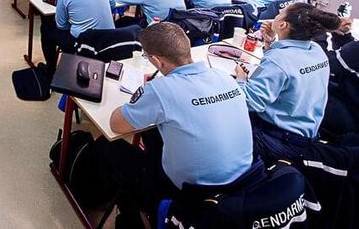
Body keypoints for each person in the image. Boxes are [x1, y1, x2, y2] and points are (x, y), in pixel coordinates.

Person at [99, 22, 253, 225]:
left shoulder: (161, 89)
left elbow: (116, 124)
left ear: (157, 61)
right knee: (154, 134)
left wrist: (141, 100)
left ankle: (131, 215)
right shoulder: (223, 76)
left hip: (194, 193)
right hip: (245, 181)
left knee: (111, 148)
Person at [235, 2, 341, 163]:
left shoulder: (279, 60)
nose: (276, 15)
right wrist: (270, 43)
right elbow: (287, 71)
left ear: (283, 24)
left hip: (278, 139)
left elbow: (251, 103)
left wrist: (241, 80)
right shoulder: (315, 50)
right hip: (306, 134)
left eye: (280, 13)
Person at [40, 0, 114, 76]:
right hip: (109, 38)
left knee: (46, 28)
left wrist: (75, 22)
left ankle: (50, 70)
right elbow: (112, 5)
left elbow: (61, 25)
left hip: (83, 42)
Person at [314, 17, 359, 139]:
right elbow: (347, 58)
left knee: (305, 88)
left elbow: (319, 63)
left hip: (350, 120)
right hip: (351, 104)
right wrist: (342, 36)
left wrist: (319, 30)